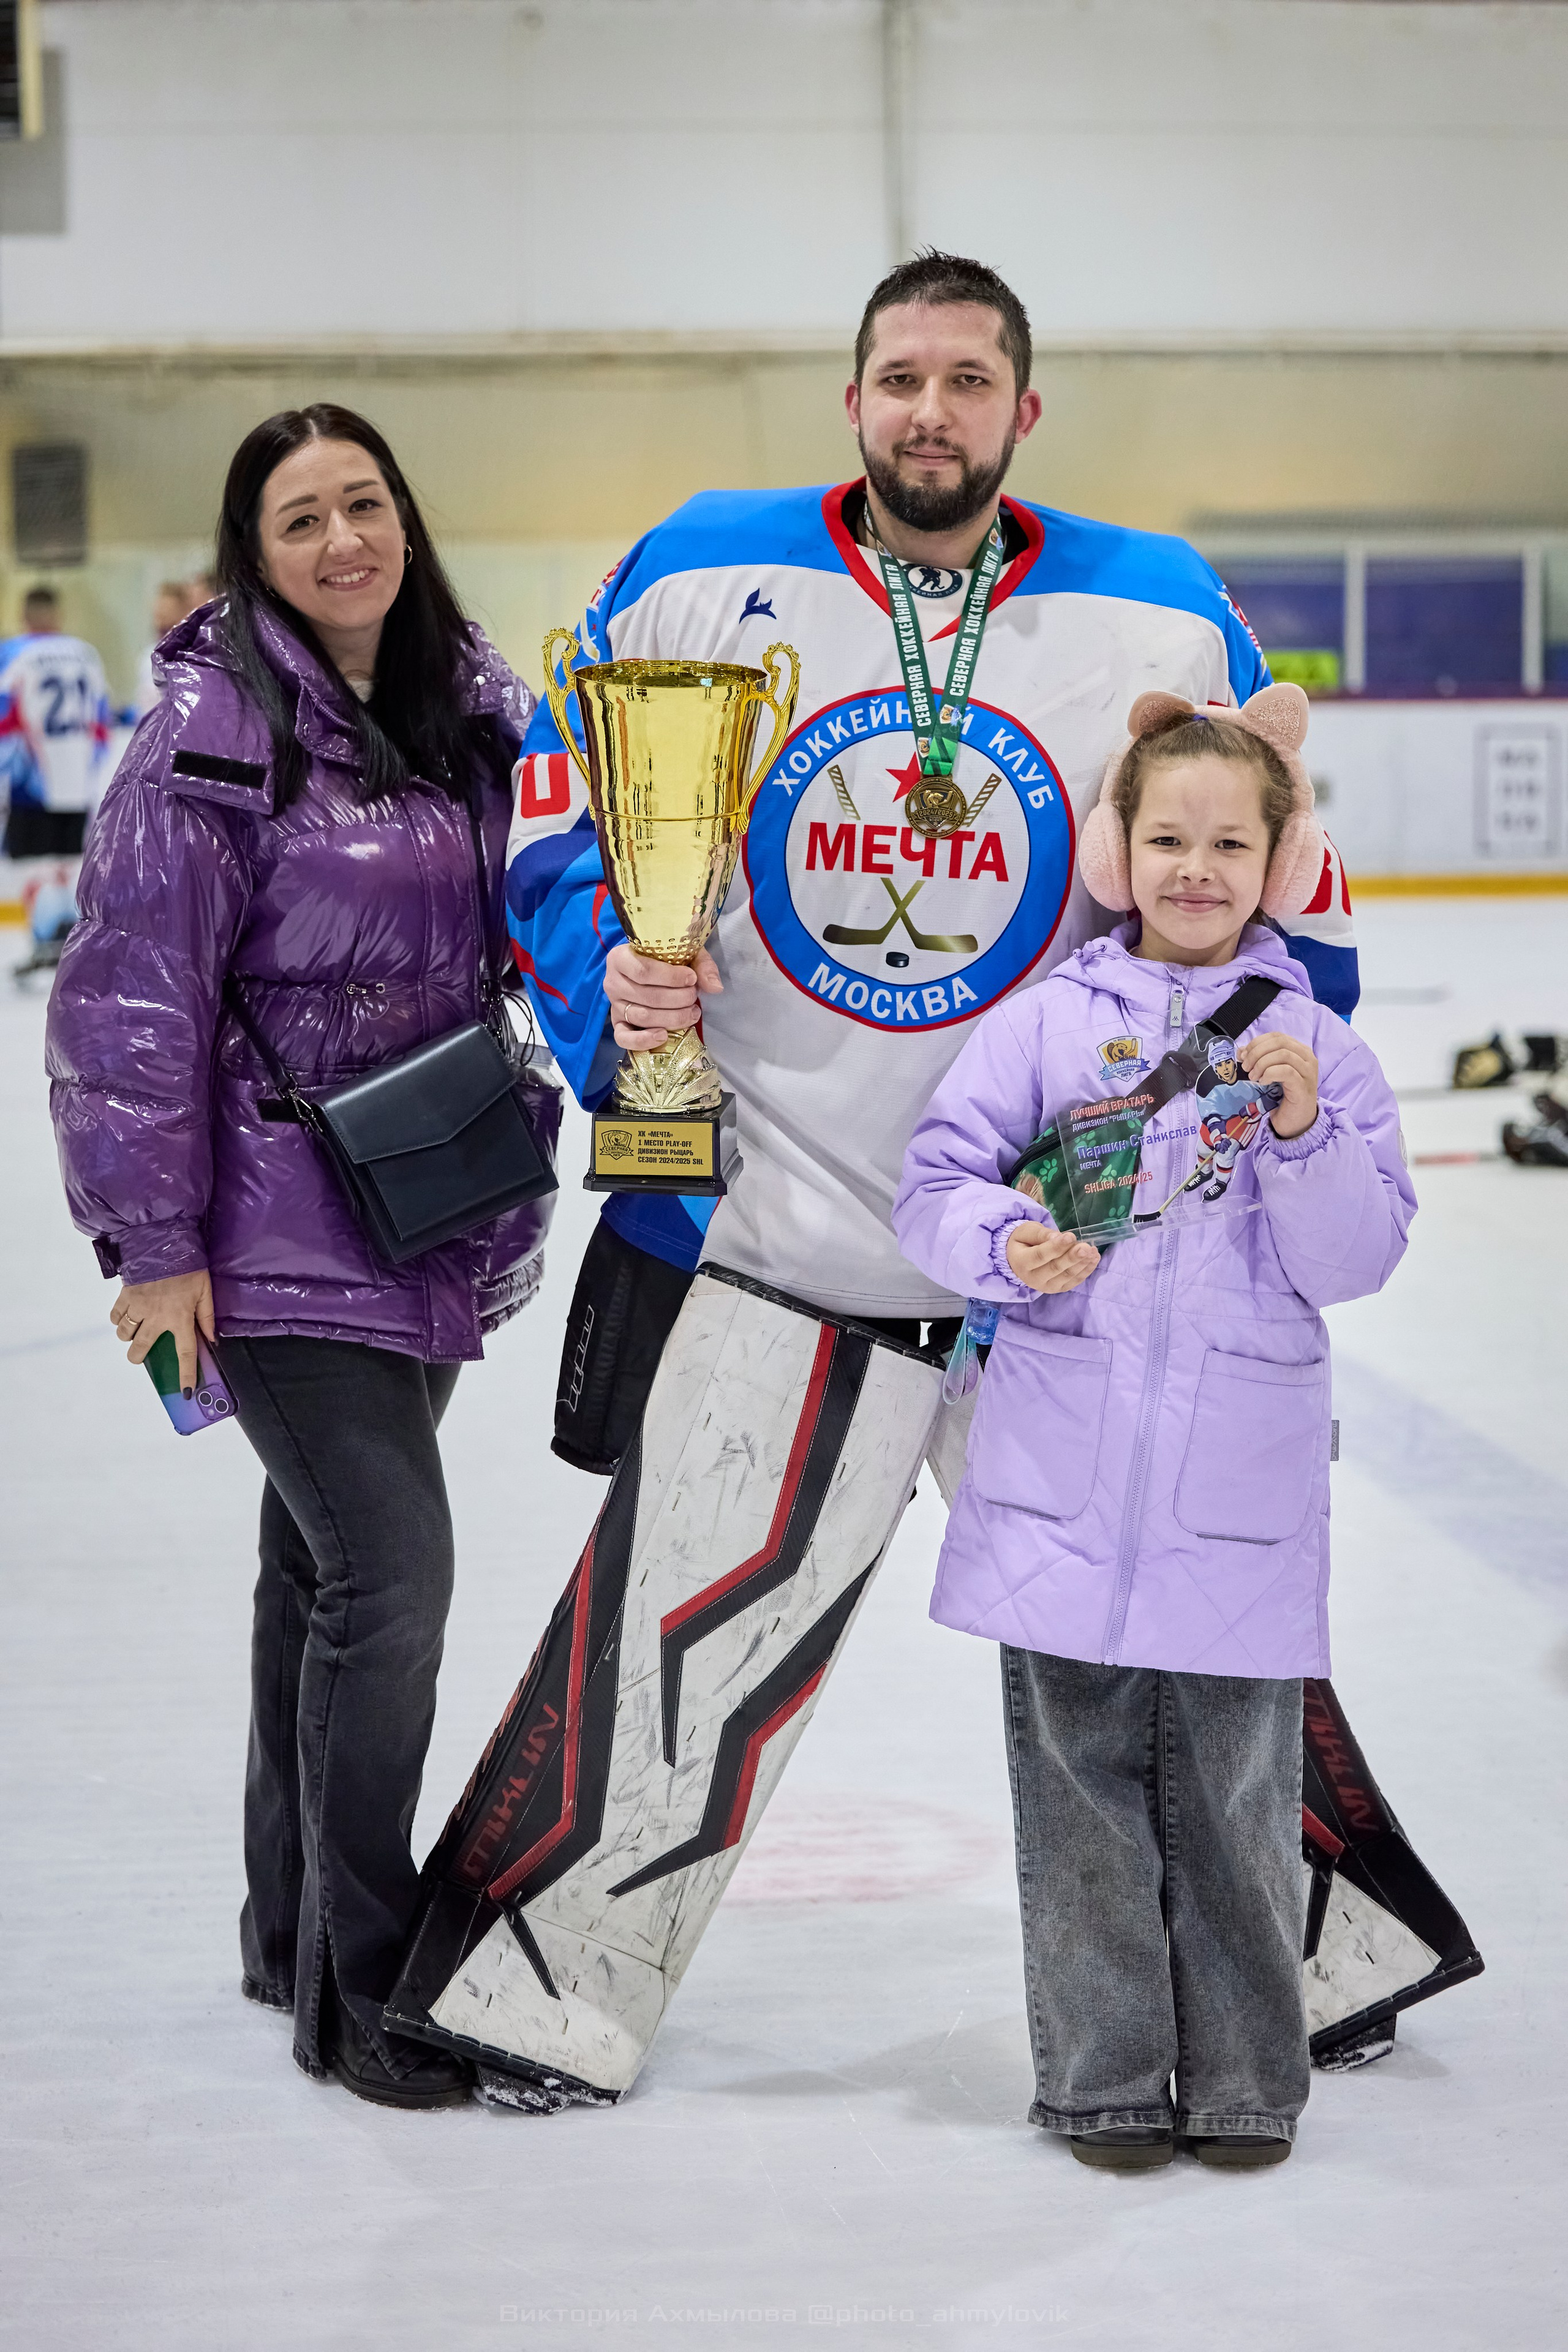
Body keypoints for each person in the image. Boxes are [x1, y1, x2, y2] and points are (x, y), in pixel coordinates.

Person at [384, 254, 1415, 2117]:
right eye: (896, 377)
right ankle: (541, 1988)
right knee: (693, 1602)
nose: (927, 409)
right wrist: (617, 983)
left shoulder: (1161, 604)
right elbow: (559, 813)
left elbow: (1272, 874)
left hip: (1068, 1241)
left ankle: (1323, 1951)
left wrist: (1258, 1103)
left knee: (1180, 1610)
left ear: (1025, 410)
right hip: (778, 1213)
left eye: (966, 379)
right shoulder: (702, 562)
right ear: (850, 399)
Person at [46, 404, 551, 2110]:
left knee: (317, 1580)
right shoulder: (209, 726)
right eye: (300, 520)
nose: (344, 540)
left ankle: (284, 1932)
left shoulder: (468, 707)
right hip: (267, 1230)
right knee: (394, 1575)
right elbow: (131, 995)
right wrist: (155, 1240)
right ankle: (362, 1980)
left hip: (420, 1201)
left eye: (365, 503)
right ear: (253, 554)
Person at [892, 687, 1415, 2172]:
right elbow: (934, 1181)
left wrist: (1306, 1134)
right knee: (1077, 1807)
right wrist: (1006, 1241)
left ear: (1277, 861)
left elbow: (1355, 1258)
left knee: (1238, 1806)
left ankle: (1245, 2084)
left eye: (1230, 844)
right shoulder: (1045, 1024)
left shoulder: (1316, 1045)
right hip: (1057, 1478)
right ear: (1116, 850)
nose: (1197, 868)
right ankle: (1107, 2079)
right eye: (1167, 836)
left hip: (1232, 1501)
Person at [0, 584, 113, 974]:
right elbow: (103, 718)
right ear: (58, 614)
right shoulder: (87, 654)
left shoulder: (12, 653)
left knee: (31, 861)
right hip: (77, 777)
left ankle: (47, 936)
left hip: (33, 778)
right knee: (68, 860)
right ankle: (71, 940)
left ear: (25, 615)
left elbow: (4, 718)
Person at [132, 578, 196, 717]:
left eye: (167, 609)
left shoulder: (191, 655)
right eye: (159, 609)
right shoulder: (147, 656)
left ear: (184, 612)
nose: (160, 614)